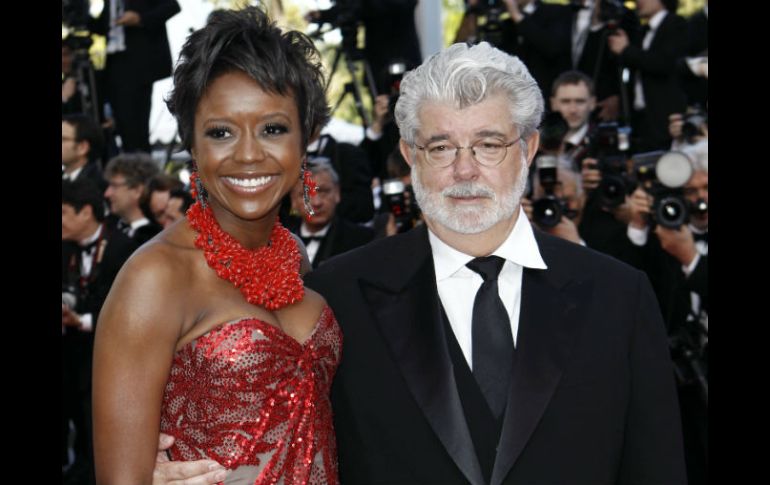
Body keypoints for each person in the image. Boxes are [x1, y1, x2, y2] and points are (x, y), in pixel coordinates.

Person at [155, 41, 686, 485]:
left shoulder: (619, 295)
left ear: (528, 148)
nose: (464, 169)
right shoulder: (337, 294)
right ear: (410, 156)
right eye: (440, 146)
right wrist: (175, 469)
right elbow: (281, 440)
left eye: (489, 144)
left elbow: (657, 468)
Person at [92, 7, 341, 485]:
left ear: (306, 138)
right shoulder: (156, 278)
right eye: (221, 132)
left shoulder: (293, 256)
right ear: (191, 143)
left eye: (273, 128)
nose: (248, 154)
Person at [62, 179, 136, 485]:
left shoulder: (124, 247)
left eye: (64, 212)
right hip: (73, 362)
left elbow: (128, 311)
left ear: (86, 212)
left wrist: (81, 321)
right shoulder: (65, 248)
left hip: (112, 365)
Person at [90, 0, 181, 153]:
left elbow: (172, 6)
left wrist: (140, 18)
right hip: (113, 63)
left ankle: (139, 168)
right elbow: (105, 25)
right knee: (122, 125)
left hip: (138, 64)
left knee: (136, 129)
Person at [286, 160, 374, 268]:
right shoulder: (278, 243)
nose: (317, 202)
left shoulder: (363, 241)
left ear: (337, 193)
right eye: (306, 194)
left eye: (323, 191)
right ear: (293, 200)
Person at [103, 152, 162, 246]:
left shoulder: (155, 238)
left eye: (114, 186)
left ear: (137, 190)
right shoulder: (106, 229)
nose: (107, 193)